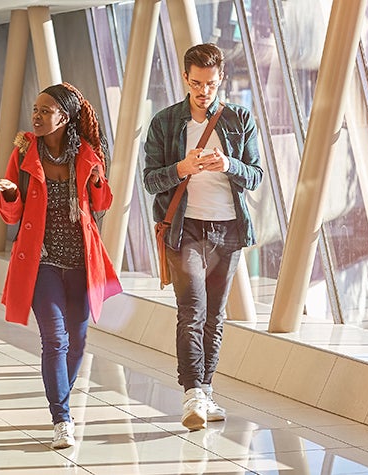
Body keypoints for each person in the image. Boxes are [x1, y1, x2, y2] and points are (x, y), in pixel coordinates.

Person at [0, 82, 122, 449]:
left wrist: (96, 181)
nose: (36, 115)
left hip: (81, 261)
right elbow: (11, 213)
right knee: (55, 339)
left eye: (44, 111)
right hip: (41, 260)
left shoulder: (87, 153)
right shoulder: (24, 152)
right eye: (35, 109)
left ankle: (61, 399)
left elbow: (101, 204)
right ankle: (61, 418)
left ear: (64, 117)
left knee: (77, 343)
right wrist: (12, 193)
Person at [143, 43, 263, 431]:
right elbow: (150, 180)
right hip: (185, 227)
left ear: (221, 79)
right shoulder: (165, 122)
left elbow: (257, 176)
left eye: (210, 83)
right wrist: (181, 167)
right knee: (191, 310)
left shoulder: (239, 119)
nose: (203, 91)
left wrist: (228, 164)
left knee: (216, 316)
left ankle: (206, 390)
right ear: (184, 78)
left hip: (228, 229)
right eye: (196, 83)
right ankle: (192, 393)